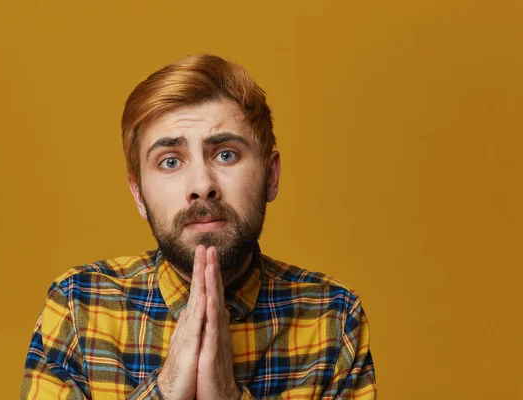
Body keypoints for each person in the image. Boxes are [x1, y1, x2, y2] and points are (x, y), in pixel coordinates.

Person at [20, 54, 377, 399]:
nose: (201, 184)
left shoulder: (333, 315)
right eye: (170, 161)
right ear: (139, 193)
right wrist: (165, 387)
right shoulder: (80, 305)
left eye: (226, 154)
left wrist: (228, 396)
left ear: (270, 175)